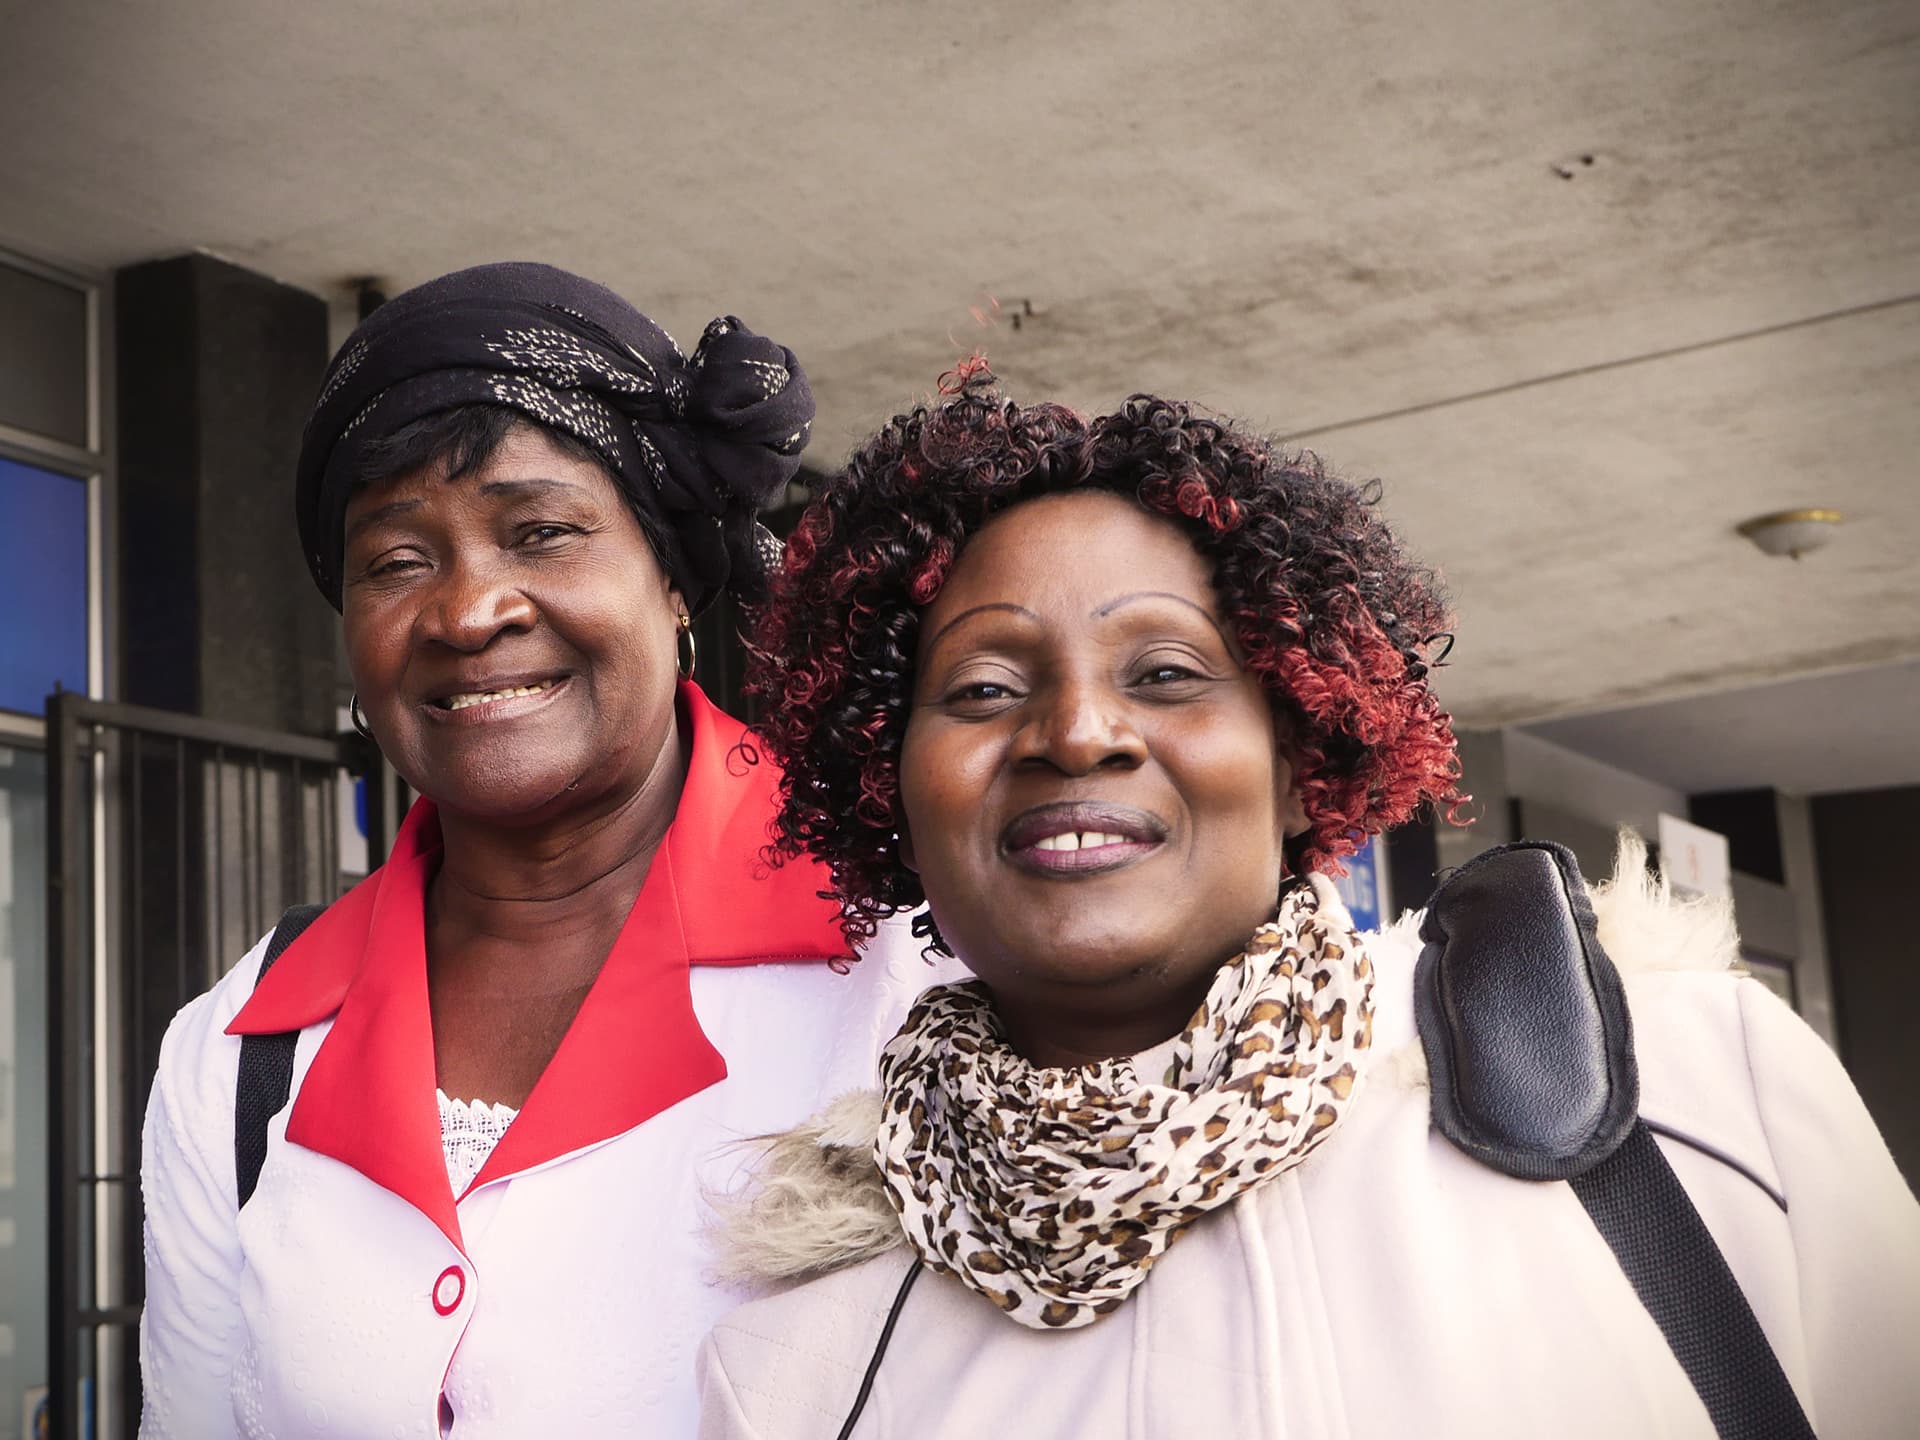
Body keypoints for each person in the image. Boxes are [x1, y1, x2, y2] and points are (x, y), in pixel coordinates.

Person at [697, 368, 1920, 1438]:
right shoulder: (799, 1372)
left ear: (1300, 761)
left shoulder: (1698, 1092)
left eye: (1167, 674)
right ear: (888, 790)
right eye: (981, 690)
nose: (1075, 732)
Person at [137, 263, 939, 1439]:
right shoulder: (241, 1047)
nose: (468, 611)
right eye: (397, 561)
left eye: (541, 533)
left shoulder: (907, 963)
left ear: (672, 579)